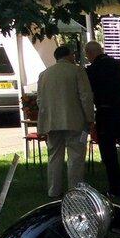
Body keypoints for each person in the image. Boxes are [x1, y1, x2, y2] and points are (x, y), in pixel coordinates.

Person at [36, 45, 95, 198]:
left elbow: (39, 100)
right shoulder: (77, 71)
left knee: (54, 155)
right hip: (74, 120)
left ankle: (53, 190)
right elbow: (85, 97)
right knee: (75, 156)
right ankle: (74, 190)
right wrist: (90, 118)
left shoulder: (44, 74)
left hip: (52, 122)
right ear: (69, 55)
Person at [84, 40, 120, 197]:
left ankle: (116, 188)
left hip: (105, 112)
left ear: (89, 53)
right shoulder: (119, 64)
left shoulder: (91, 70)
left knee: (109, 152)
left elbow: (90, 94)